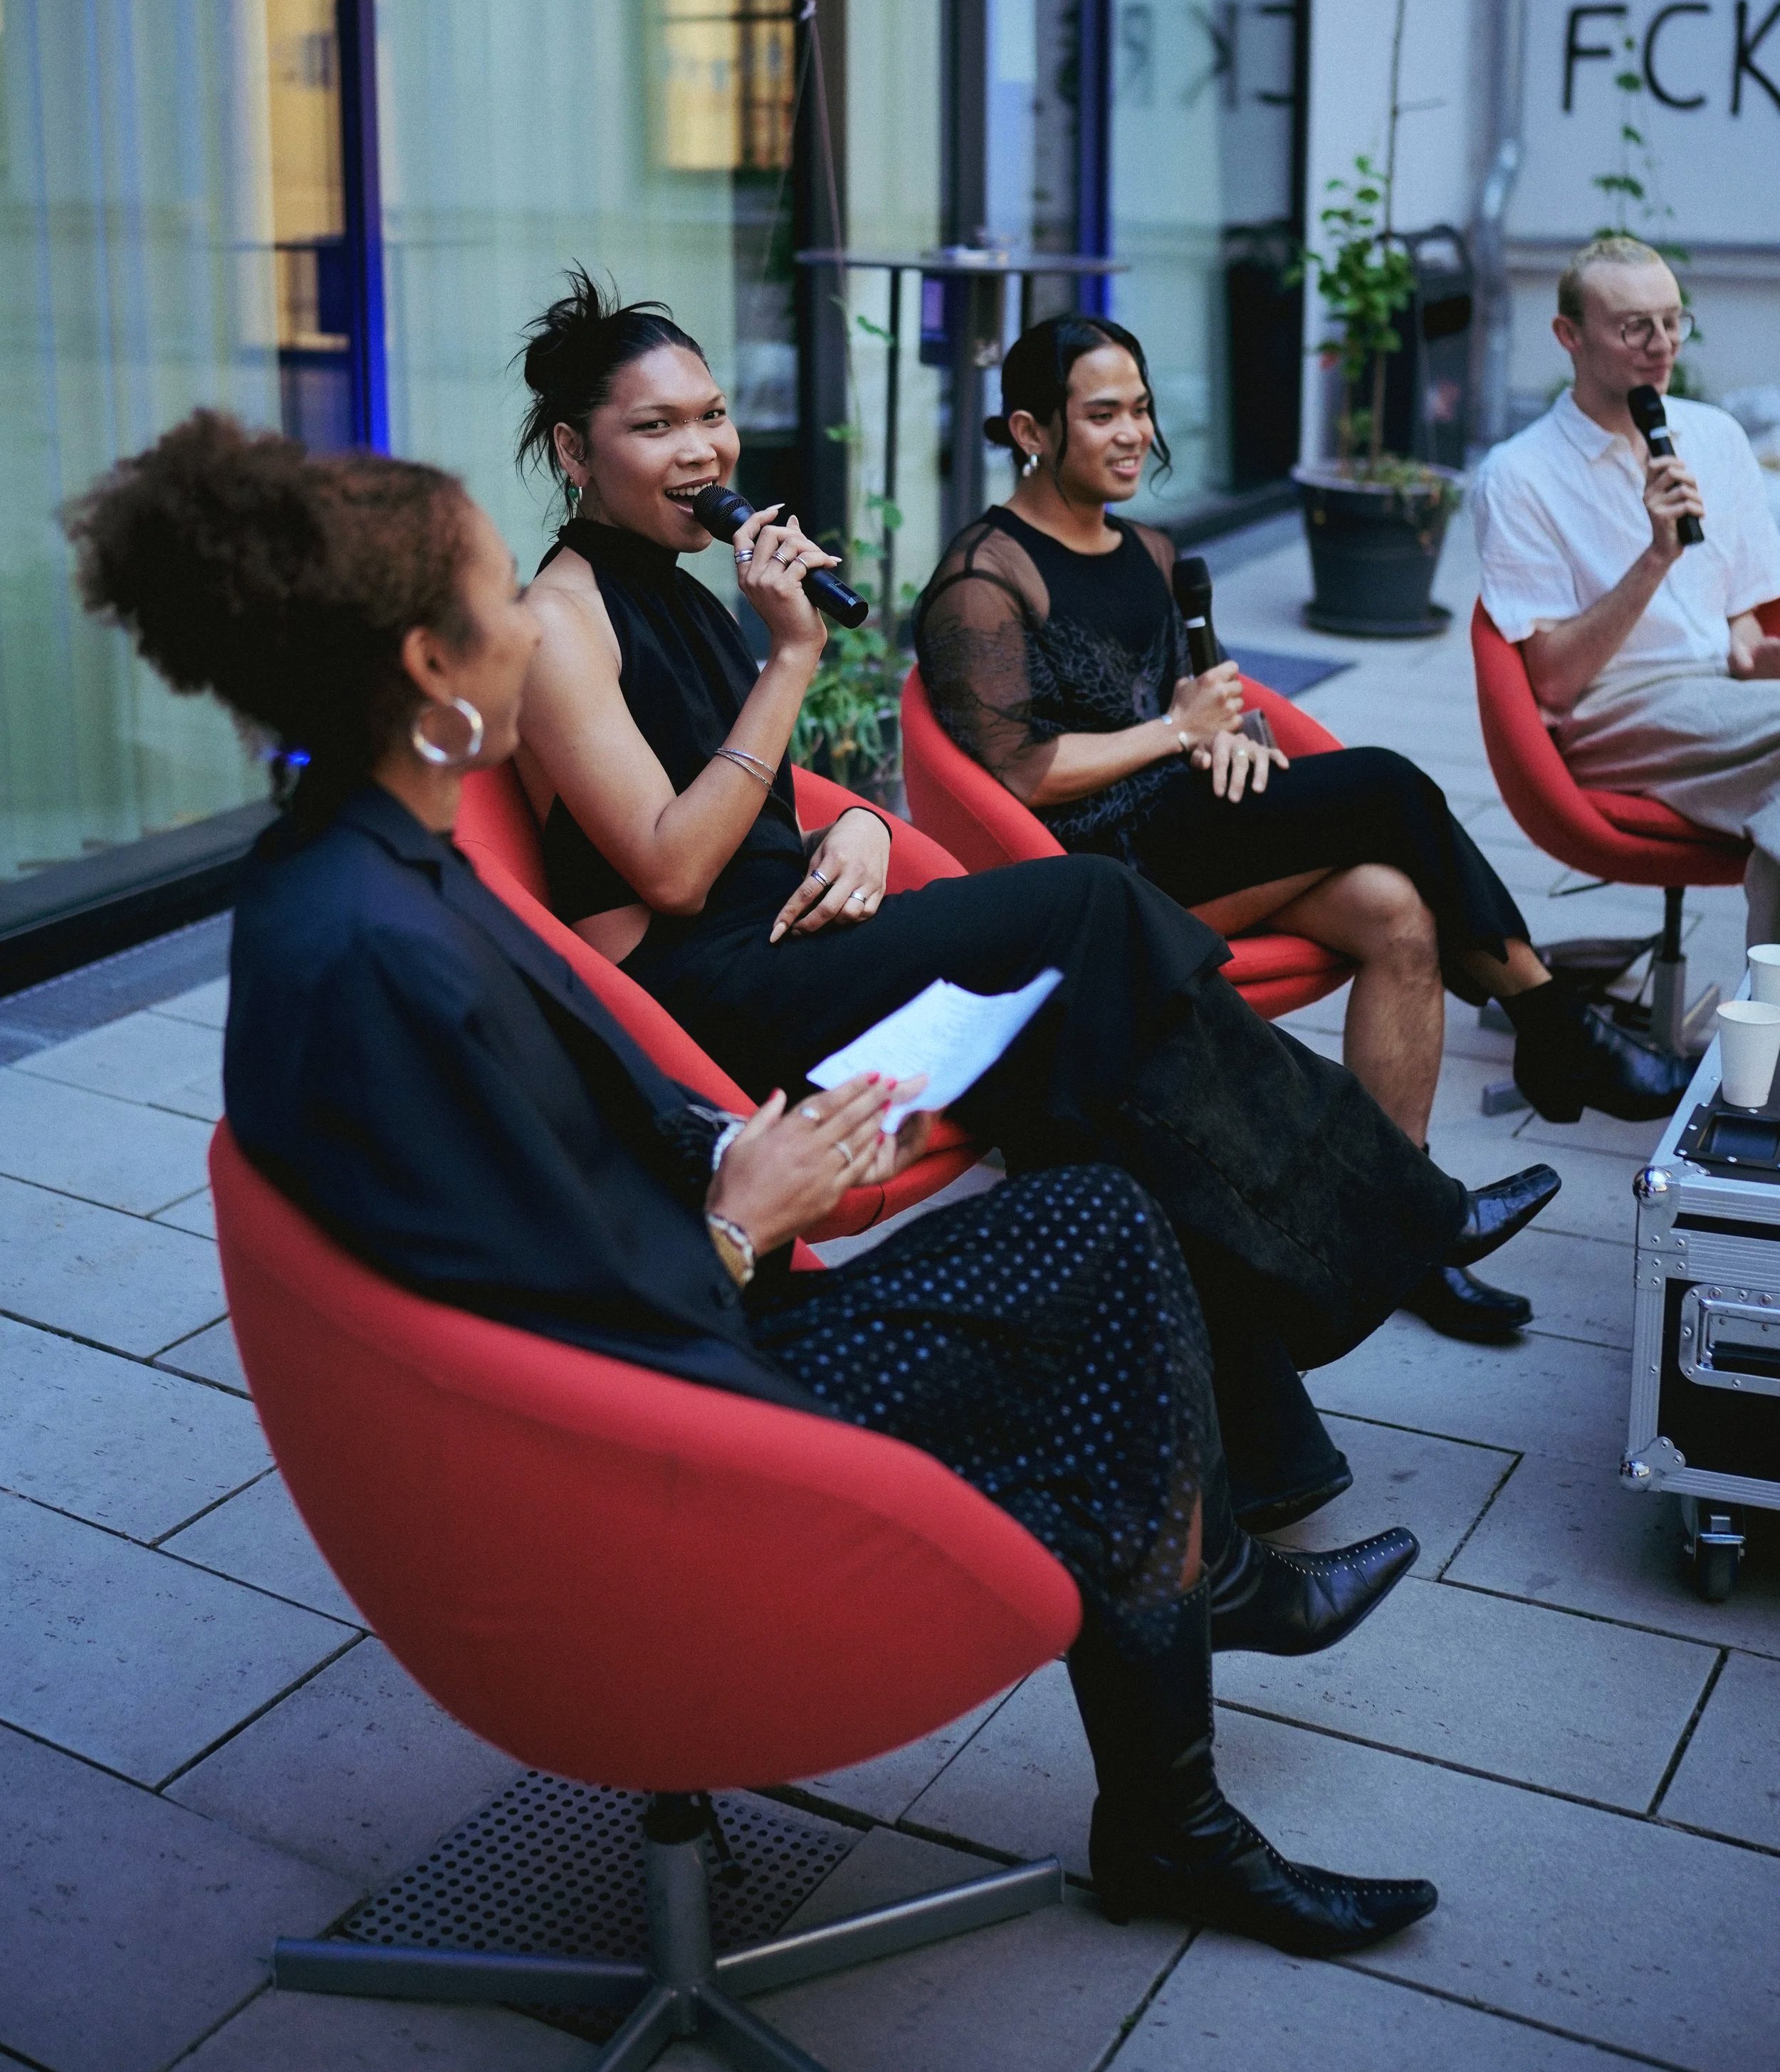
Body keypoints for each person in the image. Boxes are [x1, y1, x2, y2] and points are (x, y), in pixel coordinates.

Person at [63, 407, 1443, 1958]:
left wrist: (730, 1146)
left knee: (1093, 1213)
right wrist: (739, 1219)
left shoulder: (371, 857)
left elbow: (558, 1128)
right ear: (436, 668)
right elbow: (551, 1332)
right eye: (501, 598)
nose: (535, 618)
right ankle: (1176, 1753)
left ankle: (1191, 1623)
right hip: (652, 1441)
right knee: (1102, 1266)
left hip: (661, 1322)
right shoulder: (373, 948)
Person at [513, 270, 1558, 1537]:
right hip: (710, 996)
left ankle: (1254, 1479)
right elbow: (673, 867)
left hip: (794, 936)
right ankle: (1399, 1213)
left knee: (1095, 1086)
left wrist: (844, 820)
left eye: (712, 414)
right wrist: (793, 656)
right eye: (656, 426)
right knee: (1087, 905)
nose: (704, 449)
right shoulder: (559, 622)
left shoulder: (676, 582)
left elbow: (753, 786)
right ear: (575, 449)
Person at [911, 313, 1690, 1344]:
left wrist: (1230, 734)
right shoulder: (985, 577)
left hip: (1190, 814)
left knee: (1398, 908)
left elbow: (1209, 695)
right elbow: (1021, 772)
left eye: (1141, 407)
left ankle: (1405, 1231)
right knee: (1387, 787)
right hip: (1096, 873)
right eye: (1102, 414)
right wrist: (1173, 733)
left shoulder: (1148, 546)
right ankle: (1551, 1027)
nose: (1134, 431)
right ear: (1031, 429)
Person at [1472, 234, 1780, 951]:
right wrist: (1654, 557)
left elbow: (1739, 617)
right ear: (1568, 336)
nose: (1661, 344)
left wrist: (1752, 652)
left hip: (1727, 701)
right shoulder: (1518, 474)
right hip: (1613, 713)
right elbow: (1550, 679)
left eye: (1674, 320)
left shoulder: (1716, 435)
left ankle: (1762, 1042)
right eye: (1634, 325)